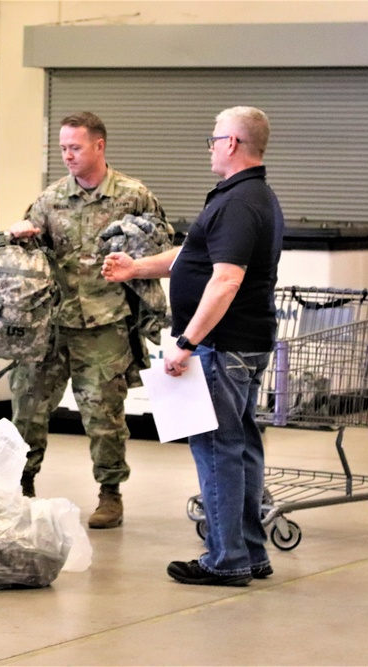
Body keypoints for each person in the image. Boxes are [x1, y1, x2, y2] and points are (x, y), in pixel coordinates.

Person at [102, 106, 284, 585]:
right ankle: (249, 552)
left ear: (230, 144)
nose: (209, 146)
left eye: (213, 138)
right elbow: (192, 256)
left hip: (223, 348)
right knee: (239, 446)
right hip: (237, 344)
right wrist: (136, 268)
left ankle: (227, 560)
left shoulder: (241, 202)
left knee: (218, 448)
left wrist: (186, 342)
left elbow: (224, 280)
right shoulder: (242, 197)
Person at [9, 111, 167, 529]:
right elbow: (27, 250)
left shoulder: (133, 196)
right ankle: (20, 487)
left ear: (99, 145)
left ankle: (110, 494)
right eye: (62, 148)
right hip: (50, 325)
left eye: (75, 147)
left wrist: (135, 257)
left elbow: (162, 246)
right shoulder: (50, 199)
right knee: (28, 409)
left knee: (104, 416)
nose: (67, 156)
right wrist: (19, 236)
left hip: (104, 323)